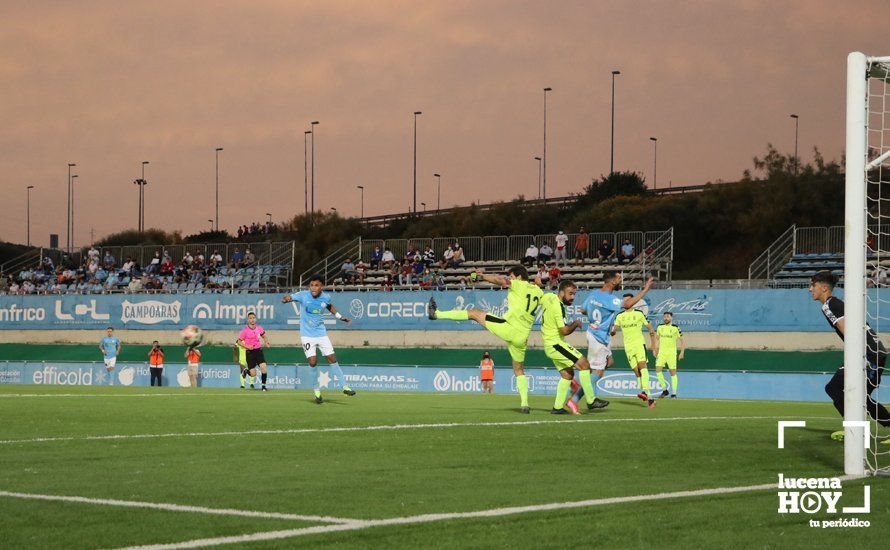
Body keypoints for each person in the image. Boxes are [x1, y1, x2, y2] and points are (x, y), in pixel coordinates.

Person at [429, 265, 542, 413]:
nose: (510, 279)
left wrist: (482, 276)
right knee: (519, 370)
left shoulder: (518, 285)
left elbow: (499, 280)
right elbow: (534, 287)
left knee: (474, 313)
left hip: (509, 328)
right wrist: (537, 284)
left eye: (512, 277)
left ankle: (436, 314)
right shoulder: (538, 292)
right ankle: (525, 404)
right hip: (523, 336)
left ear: (519, 278)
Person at [809, 271, 890, 442]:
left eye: (813, 285)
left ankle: (854, 430)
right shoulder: (838, 304)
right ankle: (857, 429)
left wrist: (855, 356)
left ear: (824, 288)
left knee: (834, 389)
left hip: (867, 354)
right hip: (874, 352)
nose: (810, 289)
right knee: (861, 397)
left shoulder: (828, 305)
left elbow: (848, 331)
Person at [579, 272, 654, 409]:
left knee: (609, 362)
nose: (621, 280)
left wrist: (597, 312)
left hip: (600, 336)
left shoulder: (594, 294)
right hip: (598, 336)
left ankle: (590, 393)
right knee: (597, 372)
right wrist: (645, 289)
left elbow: (582, 309)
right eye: (619, 278)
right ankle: (577, 396)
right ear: (612, 281)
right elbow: (627, 304)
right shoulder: (610, 299)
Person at [282, 276, 356, 403]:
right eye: (311, 285)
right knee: (312, 361)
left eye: (316, 285)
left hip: (321, 333)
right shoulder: (303, 295)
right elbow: (290, 297)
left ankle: (344, 387)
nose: (313, 288)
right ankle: (317, 392)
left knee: (332, 358)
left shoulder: (326, 297)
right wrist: (286, 299)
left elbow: (329, 307)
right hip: (307, 335)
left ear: (321, 286)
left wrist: (341, 317)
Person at [542, 280, 605, 414]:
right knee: (584, 364)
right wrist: (576, 324)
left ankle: (557, 408)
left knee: (567, 375)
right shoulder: (558, 307)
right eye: (570, 294)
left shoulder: (549, 297)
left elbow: (540, 296)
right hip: (556, 344)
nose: (573, 297)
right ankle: (591, 400)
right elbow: (564, 331)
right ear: (561, 292)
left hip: (549, 344)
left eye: (574, 294)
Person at [612, 294, 657, 407]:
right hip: (628, 347)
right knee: (637, 372)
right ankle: (648, 396)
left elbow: (650, 328)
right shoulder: (620, 316)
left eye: (628, 300)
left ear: (633, 302)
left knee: (643, 367)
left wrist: (653, 345)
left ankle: (645, 393)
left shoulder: (639, 314)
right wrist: (612, 331)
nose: (625, 302)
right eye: (624, 300)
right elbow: (615, 329)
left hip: (639, 344)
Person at [236, 312, 271, 391]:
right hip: (249, 353)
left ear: (255, 319)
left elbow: (264, 336)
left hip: (258, 351)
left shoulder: (259, 328)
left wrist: (266, 342)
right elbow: (239, 341)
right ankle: (246, 371)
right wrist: (247, 346)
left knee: (263, 367)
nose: (252, 319)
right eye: (250, 318)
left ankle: (263, 386)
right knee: (253, 374)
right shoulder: (245, 330)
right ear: (248, 320)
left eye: (253, 318)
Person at [653, 311, 684, 399]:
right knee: (658, 370)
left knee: (672, 373)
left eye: (668, 317)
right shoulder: (660, 327)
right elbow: (657, 339)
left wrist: (682, 352)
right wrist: (655, 350)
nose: (666, 318)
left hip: (671, 354)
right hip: (662, 353)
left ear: (671, 318)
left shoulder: (675, 328)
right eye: (665, 317)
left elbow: (682, 341)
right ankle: (664, 390)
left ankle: (674, 394)